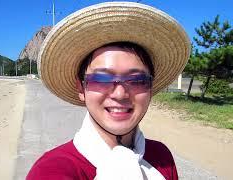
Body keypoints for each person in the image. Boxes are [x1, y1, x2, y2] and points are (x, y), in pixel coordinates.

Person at [27, 1, 190, 180]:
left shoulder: (162, 156)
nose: (119, 94)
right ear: (81, 88)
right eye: (101, 79)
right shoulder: (51, 171)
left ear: (150, 87)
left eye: (137, 80)